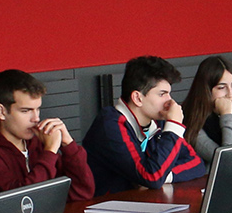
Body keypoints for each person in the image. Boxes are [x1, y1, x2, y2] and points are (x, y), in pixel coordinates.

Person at [81, 56, 208, 194]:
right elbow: (151, 177)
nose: (170, 102)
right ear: (137, 98)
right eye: (162, 94)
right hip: (102, 209)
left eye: (169, 94)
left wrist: (166, 175)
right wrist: (174, 126)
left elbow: (196, 163)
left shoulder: (156, 121)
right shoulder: (110, 125)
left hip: (139, 205)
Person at [0, 69, 96, 202]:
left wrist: (68, 145)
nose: (36, 118)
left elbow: (82, 193)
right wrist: (50, 152)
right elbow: (24, 203)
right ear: (2, 112)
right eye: (26, 111)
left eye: (38, 109)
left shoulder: (38, 141)